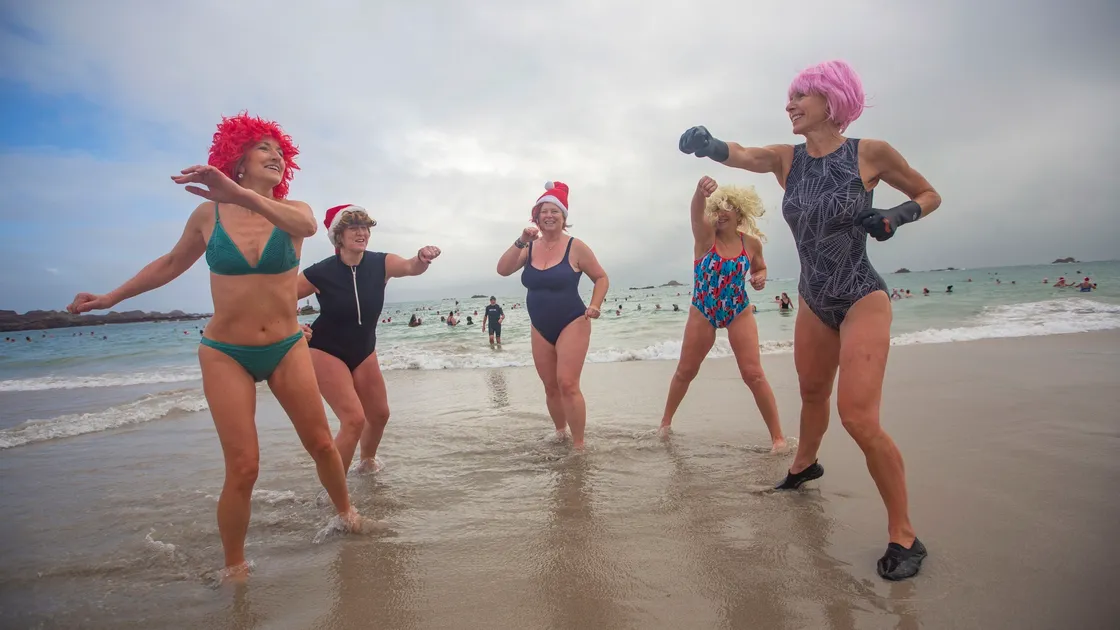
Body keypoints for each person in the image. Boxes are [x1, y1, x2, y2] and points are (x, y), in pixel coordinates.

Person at [66, 112, 363, 581]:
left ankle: (346, 512)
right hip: (226, 351)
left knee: (323, 444)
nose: (276, 156)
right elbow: (169, 264)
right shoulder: (208, 215)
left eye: (280, 151)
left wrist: (241, 194)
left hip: (286, 346)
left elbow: (305, 228)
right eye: (263, 147)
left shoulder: (296, 211)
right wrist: (110, 299)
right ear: (236, 157)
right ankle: (234, 568)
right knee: (244, 467)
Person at [679, 59, 942, 580]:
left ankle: (905, 535)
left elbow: (928, 194)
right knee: (813, 393)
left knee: (858, 416)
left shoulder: (870, 153)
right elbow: (745, 154)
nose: (790, 105)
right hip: (813, 299)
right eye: (789, 97)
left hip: (861, 294)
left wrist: (895, 216)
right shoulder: (786, 160)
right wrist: (709, 144)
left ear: (832, 100)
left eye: (801, 95)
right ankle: (804, 464)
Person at [297, 204, 440, 475]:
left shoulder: (381, 263)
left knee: (379, 415)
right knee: (353, 420)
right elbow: (277, 300)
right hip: (325, 350)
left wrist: (421, 258)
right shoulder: (320, 272)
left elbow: (410, 266)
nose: (361, 233)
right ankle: (332, 491)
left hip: (363, 350)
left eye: (365, 228)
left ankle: (366, 464)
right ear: (338, 236)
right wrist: (292, 328)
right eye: (353, 228)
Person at [659, 176, 786, 452]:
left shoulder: (751, 244)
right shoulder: (706, 237)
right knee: (686, 371)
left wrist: (760, 277)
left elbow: (759, 268)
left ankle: (778, 438)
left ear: (740, 211)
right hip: (703, 309)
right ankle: (665, 424)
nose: (721, 213)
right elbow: (695, 216)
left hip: (738, 309)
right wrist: (698, 194)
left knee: (753, 373)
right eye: (717, 208)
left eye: (727, 207)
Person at [495, 181, 609, 449]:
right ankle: (561, 433)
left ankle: (579, 445)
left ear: (564, 217)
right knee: (550, 387)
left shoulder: (576, 247)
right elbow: (502, 269)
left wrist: (595, 305)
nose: (549, 216)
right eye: (544, 211)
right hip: (539, 326)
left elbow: (601, 277)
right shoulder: (529, 248)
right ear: (535, 216)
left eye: (555, 211)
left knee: (567, 383)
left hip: (573, 321)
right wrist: (522, 240)